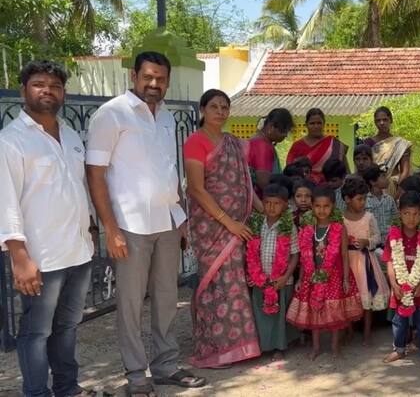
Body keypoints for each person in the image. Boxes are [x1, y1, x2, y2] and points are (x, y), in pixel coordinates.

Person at [86, 51, 206, 396]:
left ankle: (166, 364)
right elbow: (95, 173)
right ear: (134, 76)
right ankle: (137, 375)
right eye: (148, 77)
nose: (154, 84)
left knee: (168, 297)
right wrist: (109, 228)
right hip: (129, 225)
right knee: (130, 302)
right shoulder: (111, 114)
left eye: (161, 79)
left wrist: (180, 218)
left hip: (167, 222)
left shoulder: (167, 117)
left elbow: (170, 173)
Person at [0, 61, 95, 397]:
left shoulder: (70, 135)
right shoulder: (11, 141)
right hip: (41, 256)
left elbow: (78, 189)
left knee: (67, 327)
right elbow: (6, 201)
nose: (47, 91)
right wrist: (19, 257)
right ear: (24, 90)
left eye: (55, 86)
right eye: (39, 84)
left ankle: (68, 389)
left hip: (78, 251)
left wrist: (92, 230)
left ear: (63, 93)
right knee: (36, 332)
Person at [183, 89, 261, 368]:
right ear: (203, 110)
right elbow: (196, 188)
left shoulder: (234, 143)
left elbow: (246, 185)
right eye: (214, 106)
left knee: (236, 282)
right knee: (217, 283)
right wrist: (229, 223)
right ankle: (214, 350)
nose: (220, 111)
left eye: (224, 107)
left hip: (238, 226)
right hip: (212, 227)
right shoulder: (195, 142)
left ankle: (239, 347)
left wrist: (264, 211)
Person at [286, 185, 362, 360]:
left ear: (333, 206)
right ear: (312, 206)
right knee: (315, 313)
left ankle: (335, 347)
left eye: (326, 206)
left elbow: (344, 255)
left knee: (334, 313)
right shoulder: (307, 229)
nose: (322, 210)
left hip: (334, 276)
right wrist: (300, 278)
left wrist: (345, 279)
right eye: (318, 206)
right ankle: (316, 347)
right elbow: (306, 256)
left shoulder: (339, 228)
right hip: (311, 277)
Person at [382, 191, 420, 370]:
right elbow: (390, 261)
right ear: (399, 213)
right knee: (399, 322)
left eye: (415, 214)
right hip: (399, 287)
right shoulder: (393, 234)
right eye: (406, 213)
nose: (411, 218)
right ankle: (399, 349)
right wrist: (393, 284)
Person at [245, 184, 301, 361]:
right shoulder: (256, 223)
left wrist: (285, 277)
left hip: (281, 280)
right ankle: (262, 345)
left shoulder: (287, 226)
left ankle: (279, 346)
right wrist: (251, 274)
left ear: (285, 205)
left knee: (279, 316)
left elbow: (294, 255)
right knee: (260, 314)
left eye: (276, 203)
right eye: (267, 203)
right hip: (260, 279)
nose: (271, 207)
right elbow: (250, 252)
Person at [342, 177, 390, 345]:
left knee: (367, 298)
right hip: (347, 262)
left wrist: (367, 242)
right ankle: (349, 331)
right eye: (359, 199)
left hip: (364, 263)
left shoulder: (368, 217)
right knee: (348, 298)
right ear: (347, 199)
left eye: (364, 198)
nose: (363, 202)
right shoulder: (341, 219)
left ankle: (367, 333)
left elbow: (377, 237)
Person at [286, 108, 348, 185]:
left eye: (319, 123)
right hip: (304, 189)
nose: (316, 126)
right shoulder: (297, 146)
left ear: (324, 124)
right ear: (306, 125)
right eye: (312, 123)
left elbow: (345, 170)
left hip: (330, 187)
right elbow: (289, 172)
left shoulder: (334, 143)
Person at [364, 107, 412, 197]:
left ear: (391, 120)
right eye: (378, 120)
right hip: (372, 186)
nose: (382, 123)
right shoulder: (368, 143)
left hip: (393, 186)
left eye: (385, 120)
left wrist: (398, 190)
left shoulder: (400, 144)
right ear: (375, 122)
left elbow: (405, 171)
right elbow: (364, 168)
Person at [248, 108, 294, 197]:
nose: (285, 135)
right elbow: (263, 182)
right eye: (283, 131)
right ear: (271, 126)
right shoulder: (262, 146)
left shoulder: (256, 140)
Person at [364, 164, 398, 245]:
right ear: (372, 182)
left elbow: (395, 219)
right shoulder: (365, 200)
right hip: (373, 242)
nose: (387, 179)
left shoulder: (389, 199)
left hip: (389, 241)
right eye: (383, 176)